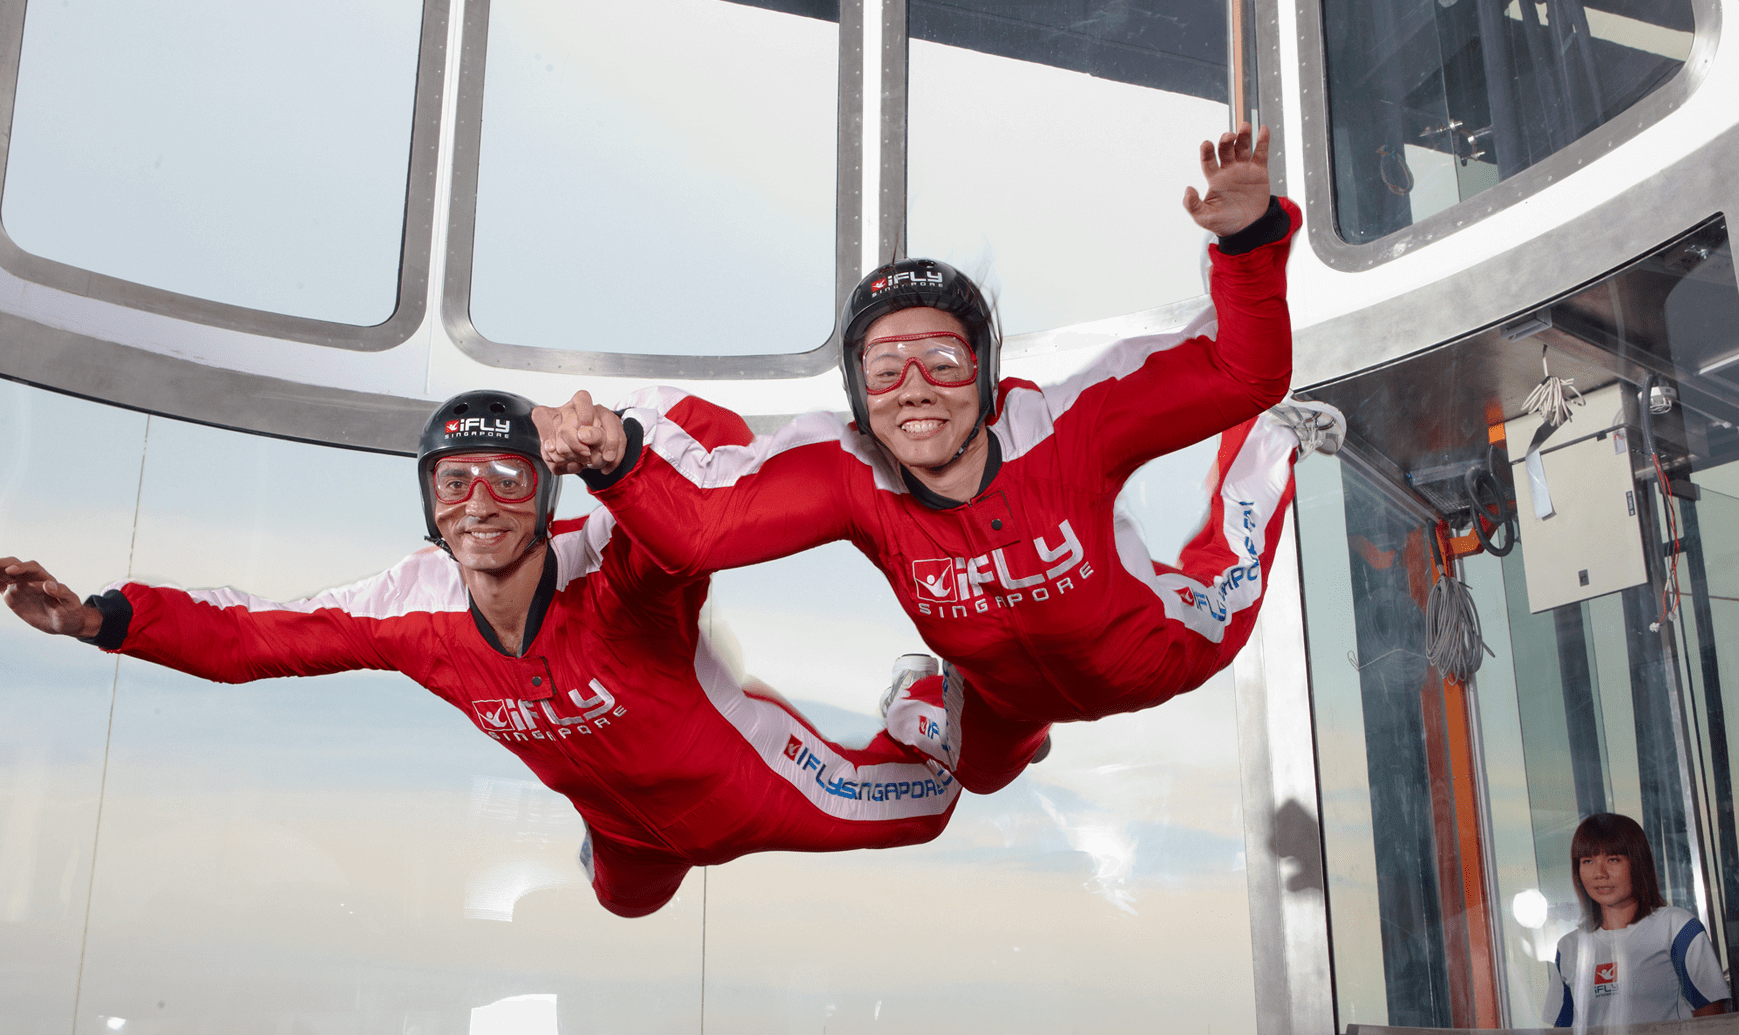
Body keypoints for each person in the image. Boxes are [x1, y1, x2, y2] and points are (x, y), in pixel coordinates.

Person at [537, 123, 1341, 794]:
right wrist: (615, 458)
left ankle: (1269, 443)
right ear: (859, 398)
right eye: (886, 372)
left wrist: (1249, 242)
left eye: (944, 363)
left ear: (986, 377)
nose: (915, 390)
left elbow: (1244, 370)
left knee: (1232, 575)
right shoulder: (853, 477)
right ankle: (934, 692)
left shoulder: (1068, 428)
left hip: (1152, 651)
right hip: (1000, 694)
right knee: (982, 777)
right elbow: (702, 532)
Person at [0, 391, 959, 919]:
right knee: (626, 905)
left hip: (755, 787)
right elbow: (254, 634)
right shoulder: (416, 605)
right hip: (624, 828)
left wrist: (623, 449)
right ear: (428, 507)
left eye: (505, 478)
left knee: (928, 812)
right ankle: (616, 843)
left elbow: (711, 449)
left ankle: (932, 685)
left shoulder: (612, 562)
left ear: (548, 494)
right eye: (453, 482)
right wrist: (97, 619)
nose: (478, 501)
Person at [1544, 813, 1729, 1026]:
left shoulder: (1676, 927)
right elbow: (1562, 1029)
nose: (1599, 873)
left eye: (1613, 859)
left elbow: (1713, 1021)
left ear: (1637, 863)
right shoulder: (1569, 947)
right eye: (1588, 861)